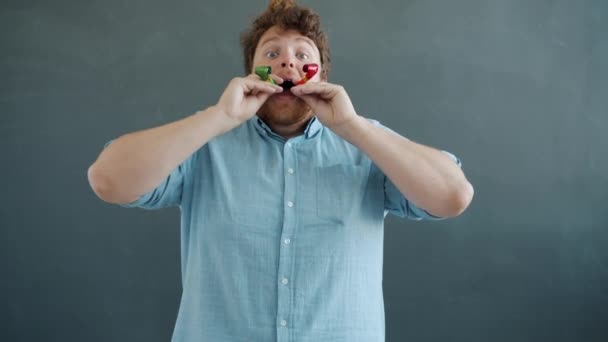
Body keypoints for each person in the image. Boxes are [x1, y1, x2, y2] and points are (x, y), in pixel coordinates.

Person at [87, 0, 474, 341]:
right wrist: (219, 116)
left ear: (321, 75)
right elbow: (108, 180)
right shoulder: (204, 144)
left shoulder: (367, 144)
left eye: (302, 54)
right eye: (271, 54)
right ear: (250, 75)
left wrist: (353, 128)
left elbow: (453, 197)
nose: (287, 62)